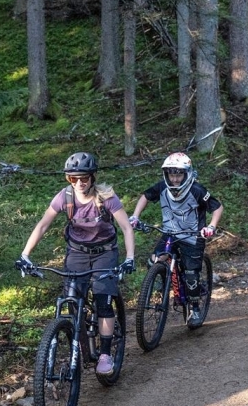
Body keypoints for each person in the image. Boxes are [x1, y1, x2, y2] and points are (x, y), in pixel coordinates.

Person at [17, 152, 137, 376]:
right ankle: (81, 347)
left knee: (103, 299)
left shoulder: (106, 196)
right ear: (68, 180)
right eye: (74, 179)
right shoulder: (65, 197)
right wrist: (25, 254)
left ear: (92, 177)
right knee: (72, 299)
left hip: (105, 252)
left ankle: (105, 353)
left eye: (84, 178)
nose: (79, 183)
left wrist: (129, 257)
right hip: (77, 252)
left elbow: (126, 228)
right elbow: (43, 225)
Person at [128, 152, 224, 328]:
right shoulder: (162, 187)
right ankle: (161, 282)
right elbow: (145, 196)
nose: (175, 179)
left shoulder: (197, 190)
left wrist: (211, 226)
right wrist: (135, 216)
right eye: (171, 174)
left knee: (190, 275)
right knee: (155, 260)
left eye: (179, 174)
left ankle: (194, 308)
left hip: (193, 236)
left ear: (187, 174)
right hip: (170, 234)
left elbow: (217, 208)